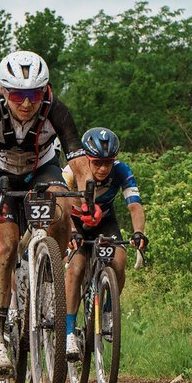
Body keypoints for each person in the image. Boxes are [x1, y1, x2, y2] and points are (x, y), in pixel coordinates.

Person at [0, 50, 88, 375]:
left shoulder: (57, 110)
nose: (26, 103)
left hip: (42, 168)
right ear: (4, 93)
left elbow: (79, 165)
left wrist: (87, 197)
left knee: (61, 205)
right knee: (4, 244)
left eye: (34, 94)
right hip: (1, 174)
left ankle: (51, 271)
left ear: (45, 91)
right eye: (18, 95)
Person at [63, 128, 147, 358]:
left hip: (105, 221)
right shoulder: (71, 171)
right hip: (75, 220)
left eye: (108, 163)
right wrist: (70, 231)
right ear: (86, 159)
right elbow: (61, 207)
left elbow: (134, 205)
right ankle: (69, 332)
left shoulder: (122, 171)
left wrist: (138, 232)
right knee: (76, 268)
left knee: (119, 260)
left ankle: (108, 310)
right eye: (97, 163)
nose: (102, 168)